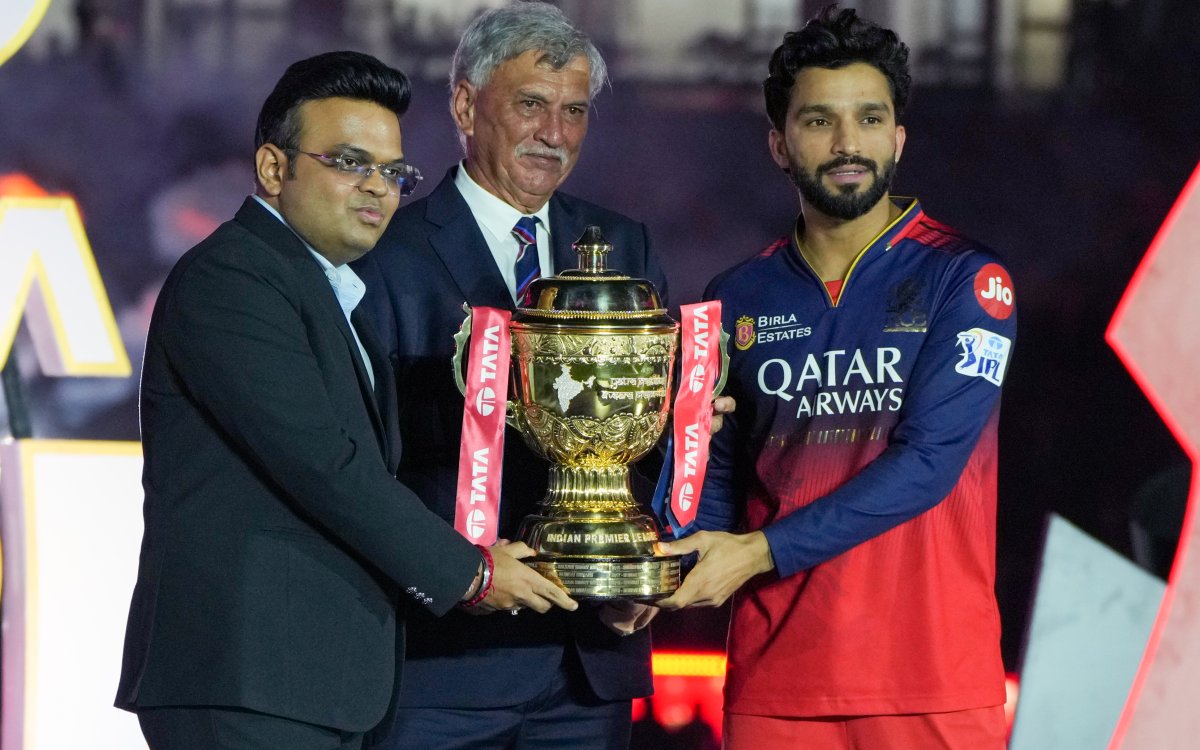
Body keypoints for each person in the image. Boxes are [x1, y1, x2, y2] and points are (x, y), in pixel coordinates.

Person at [115, 51, 575, 750]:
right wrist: (472, 572)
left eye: (393, 173)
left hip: (310, 683)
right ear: (274, 168)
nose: (377, 189)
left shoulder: (328, 290)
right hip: (248, 681)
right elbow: (325, 466)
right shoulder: (232, 278)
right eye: (350, 163)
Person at [657, 7, 1017, 750]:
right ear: (779, 144)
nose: (848, 143)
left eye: (869, 119)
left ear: (898, 139)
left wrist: (756, 553)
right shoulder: (734, 297)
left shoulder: (967, 279)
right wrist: (658, 574)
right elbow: (713, 481)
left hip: (931, 682)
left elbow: (928, 464)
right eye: (819, 121)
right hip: (775, 685)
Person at [353, 4, 692, 749]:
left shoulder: (625, 247)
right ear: (465, 106)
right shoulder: (386, 254)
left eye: (574, 111)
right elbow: (357, 468)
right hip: (443, 667)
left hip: (591, 662)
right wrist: (458, 575)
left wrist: (640, 568)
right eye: (531, 105)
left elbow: (655, 437)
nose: (555, 133)